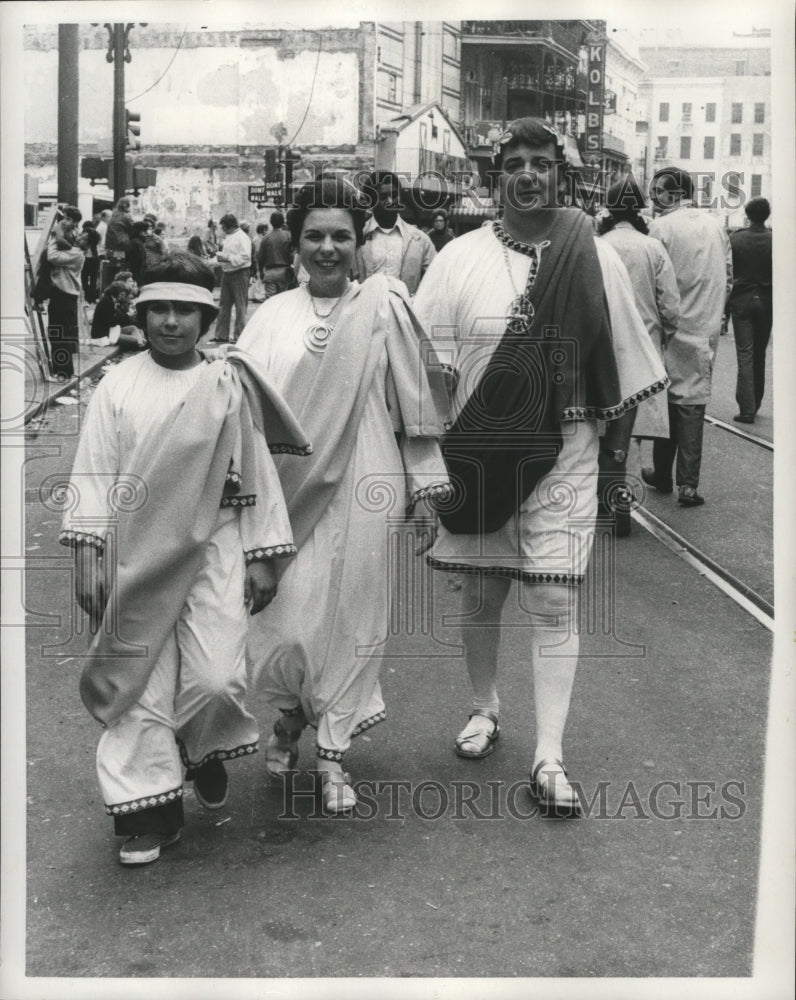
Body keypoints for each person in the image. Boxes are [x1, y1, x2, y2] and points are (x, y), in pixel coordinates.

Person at [413, 118, 668, 815]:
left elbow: (620, 370)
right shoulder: (459, 256)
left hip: (566, 448)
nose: (529, 175)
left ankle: (549, 755)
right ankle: (483, 707)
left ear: (562, 174)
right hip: (481, 445)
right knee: (481, 591)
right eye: (515, 164)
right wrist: (427, 466)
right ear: (498, 177)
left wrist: (617, 464)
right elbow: (426, 369)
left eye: (541, 163)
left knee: (553, 597)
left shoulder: (592, 253)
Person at [58, 251, 309, 866]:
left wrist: (261, 555)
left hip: (213, 546)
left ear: (206, 315)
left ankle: (199, 749)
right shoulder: (117, 384)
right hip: (135, 553)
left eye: (185, 310)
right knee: (139, 685)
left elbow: (255, 474)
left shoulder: (225, 384)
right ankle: (148, 813)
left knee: (218, 678)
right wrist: (87, 554)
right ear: (142, 315)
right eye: (159, 310)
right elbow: (93, 473)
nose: (172, 322)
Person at [238, 178, 450, 814]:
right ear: (295, 243)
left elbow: (414, 405)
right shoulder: (270, 316)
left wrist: (427, 488)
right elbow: (238, 413)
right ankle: (288, 720)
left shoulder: (386, 306)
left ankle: (333, 753)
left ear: (359, 242)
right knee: (287, 620)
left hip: (367, 477)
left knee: (353, 616)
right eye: (315, 237)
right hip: (287, 490)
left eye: (341, 236)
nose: (327, 249)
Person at [644, 167, 732, 507]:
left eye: (658, 192)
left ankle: (666, 475)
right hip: (704, 330)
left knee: (667, 403)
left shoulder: (661, 228)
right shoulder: (714, 225)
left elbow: (655, 279)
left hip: (670, 328)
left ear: (673, 194)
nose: (653, 198)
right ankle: (685, 484)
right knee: (692, 406)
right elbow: (726, 275)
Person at [598, 176, 681, 535]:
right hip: (643, 351)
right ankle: (622, 501)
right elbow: (671, 306)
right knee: (631, 432)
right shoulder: (653, 248)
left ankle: (607, 497)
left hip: (603, 349)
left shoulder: (596, 245)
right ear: (640, 210)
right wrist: (664, 335)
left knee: (605, 430)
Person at [726, 196, 772, 423]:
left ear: (747, 215)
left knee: (745, 353)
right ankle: (756, 401)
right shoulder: (776, 239)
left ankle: (746, 408)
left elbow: (728, 272)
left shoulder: (736, 239)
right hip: (766, 302)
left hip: (741, 301)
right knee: (760, 353)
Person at [354, 170, 436, 295]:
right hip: (365, 311)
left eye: (394, 195)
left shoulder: (420, 240)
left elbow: (435, 282)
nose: (390, 202)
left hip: (406, 311)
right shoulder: (356, 239)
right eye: (382, 197)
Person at [45, 205, 85, 382]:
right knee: (61, 334)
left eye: (68, 220)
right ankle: (64, 371)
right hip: (64, 295)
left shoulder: (76, 253)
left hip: (64, 295)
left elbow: (51, 256)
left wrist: (55, 234)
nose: (64, 224)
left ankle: (61, 373)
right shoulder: (72, 250)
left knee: (58, 334)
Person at [212, 213, 252, 344]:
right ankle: (221, 335)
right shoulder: (229, 237)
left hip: (240, 273)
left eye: (223, 226)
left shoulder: (242, 238)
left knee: (240, 306)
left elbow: (245, 257)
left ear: (229, 225)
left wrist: (227, 258)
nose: (222, 229)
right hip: (227, 273)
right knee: (224, 305)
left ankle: (239, 336)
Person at [89, 280, 146, 349]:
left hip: (113, 330)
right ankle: (140, 343)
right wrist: (127, 316)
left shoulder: (113, 300)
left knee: (133, 328)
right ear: (116, 292)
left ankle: (141, 342)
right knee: (134, 340)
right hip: (104, 334)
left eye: (124, 295)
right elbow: (111, 322)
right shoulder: (106, 301)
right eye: (121, 294)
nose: (122, 297)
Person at [257, 211, 294, 298]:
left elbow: (261, 257)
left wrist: (261, 271)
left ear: (271, 222)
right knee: (283, 299)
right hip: (284, 272)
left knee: (270, 301)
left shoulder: (266, 238)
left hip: (270, 272)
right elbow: (292, 254)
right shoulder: (288, 236)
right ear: (282, 222)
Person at [79, 220, 101, 304]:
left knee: (84, 278)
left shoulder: (83, 235)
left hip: (84, 259)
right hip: (94, 258)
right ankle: (92, 298)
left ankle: (86, 295)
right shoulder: (96, 235)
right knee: (93, 279)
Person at [127, 220, 150, 287]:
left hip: (136, 270)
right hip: (138, 272)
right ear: (140, 231)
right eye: (144, 231)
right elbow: (139, 260)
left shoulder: (135, 241)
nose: (146, 233)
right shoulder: (137, 242)